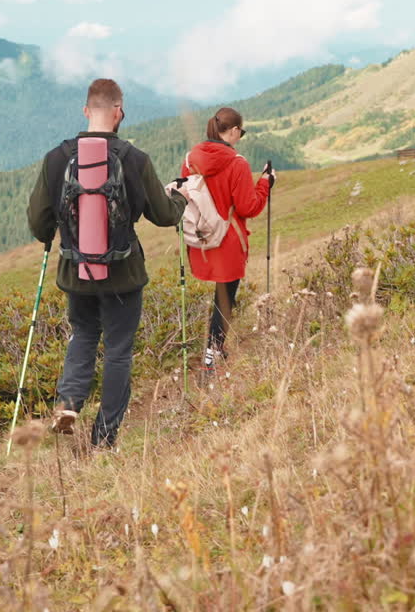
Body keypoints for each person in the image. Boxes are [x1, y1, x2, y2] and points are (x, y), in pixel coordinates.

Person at [26, 78, 187, 448]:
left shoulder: (56, 158)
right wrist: (180, 199)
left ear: (86, 110)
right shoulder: (135, 159)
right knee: (118, 351)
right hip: (123, 274)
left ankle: (69, 404)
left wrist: (56, 232)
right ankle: (103, 438)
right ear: (119, 113)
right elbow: (164, 215)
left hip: (76, 272)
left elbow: (38, 222)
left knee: (83, 334)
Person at [180, 107, 274, 376]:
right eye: (240, 132)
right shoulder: (237, 163)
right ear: (233, 131)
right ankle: (211, 358)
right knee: (224, 300)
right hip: (228, 241)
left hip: (201, 239)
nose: (240, 137)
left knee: (221, 299)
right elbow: (248, 207)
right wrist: (265, 183)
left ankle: (215, 351)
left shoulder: (190, 159)